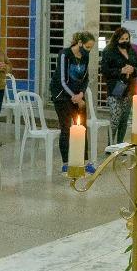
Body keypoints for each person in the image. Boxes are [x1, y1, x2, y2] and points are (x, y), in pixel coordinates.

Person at [52, 31, 96, 172]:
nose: (89, 50)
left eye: (91, 48)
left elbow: (86, 78)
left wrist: (81, 94)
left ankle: (84, 161)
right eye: (87, 47)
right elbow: (62, 80)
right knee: (66, 129)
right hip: (62, 96)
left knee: (82, 127)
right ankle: (66, 163)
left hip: (77, 96)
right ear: (80, 43)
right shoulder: (65, 54)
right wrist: (74, 97)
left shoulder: (85, 56)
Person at [100, 26, 137, 144]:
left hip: (129, 88)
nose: (125, 41)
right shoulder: (109, 51)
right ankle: (110, 144)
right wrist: (121, 71)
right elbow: (105, 71)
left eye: (127, 38)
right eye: (122, 38)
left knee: (124, 119)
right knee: (115, 118)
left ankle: (120, 144)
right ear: (117, 39)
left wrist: (132, 69)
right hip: (115, 88)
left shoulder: (132, 51)